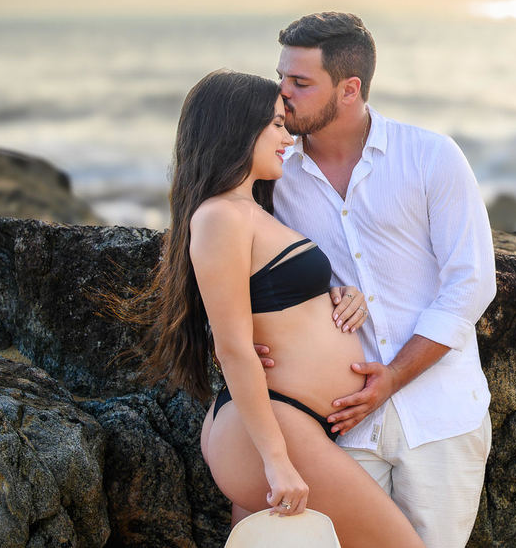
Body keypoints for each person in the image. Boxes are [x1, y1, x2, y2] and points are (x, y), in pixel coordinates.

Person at [135, 70, 423, 548]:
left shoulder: (254, 212)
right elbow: (233, 348)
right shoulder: (219, 217)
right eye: (274, 125)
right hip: (272, 432)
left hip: (286, 426)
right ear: (235, 130)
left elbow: (275, 300)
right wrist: (276, 460)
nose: (287, 137)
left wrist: (338, 294)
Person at [261, 12, 496, 548]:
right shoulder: (276, 176)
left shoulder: (431, 156)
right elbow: (261, 277)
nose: (281, 95)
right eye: (281, 78)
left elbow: (471, 283)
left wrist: (393, 376)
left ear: (350, 89)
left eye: (299, 83)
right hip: (338, 424)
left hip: (439, 416)